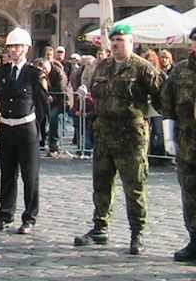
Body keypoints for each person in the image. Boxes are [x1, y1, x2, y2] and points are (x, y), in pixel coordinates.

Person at [74, 24, 163, 255]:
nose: (115, 45)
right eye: (113, 41)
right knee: (101, 184)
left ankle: (137, 233)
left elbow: (161, 97)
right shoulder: (102, 66)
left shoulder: (143, 68)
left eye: (120, 41)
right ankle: (100, 228)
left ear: (131, 42)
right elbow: (95, 92)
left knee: (134, 187)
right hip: (104, 134)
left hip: (131, 138)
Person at [0, 27, 48, 235]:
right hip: (7, 127)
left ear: (27, 49)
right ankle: (5, 214)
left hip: (26, 128)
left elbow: (42, 106)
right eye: (11, 47)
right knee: (7, 174)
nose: (14, 50)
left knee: (30, 176)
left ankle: (29, 218)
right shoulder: (2, 71)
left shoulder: (34, 74)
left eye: (18, 46)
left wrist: (37, 130)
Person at [161, 26, 196, 262]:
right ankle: (194, 239)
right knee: (190, 193)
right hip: (188, 143)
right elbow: (167, 103)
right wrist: (167, 137)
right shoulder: (181, 70)